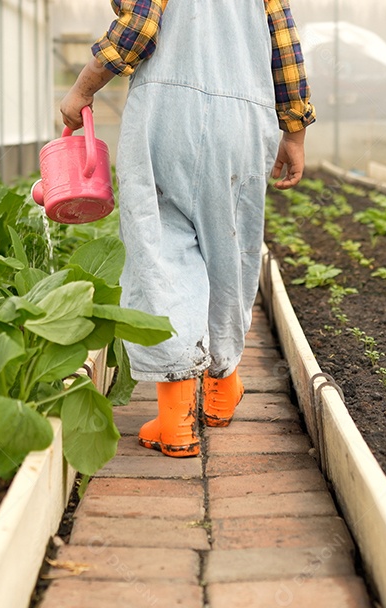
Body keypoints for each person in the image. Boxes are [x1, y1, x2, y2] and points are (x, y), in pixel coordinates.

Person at [60, 0, 315, 458]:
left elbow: (136, 28)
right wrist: (293, 131)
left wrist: (83, 88)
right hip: (242, 122)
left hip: (165, 115)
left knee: (162, 252)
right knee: (230, 250)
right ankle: (221, 389)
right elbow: (286, 49)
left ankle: (177, 420)